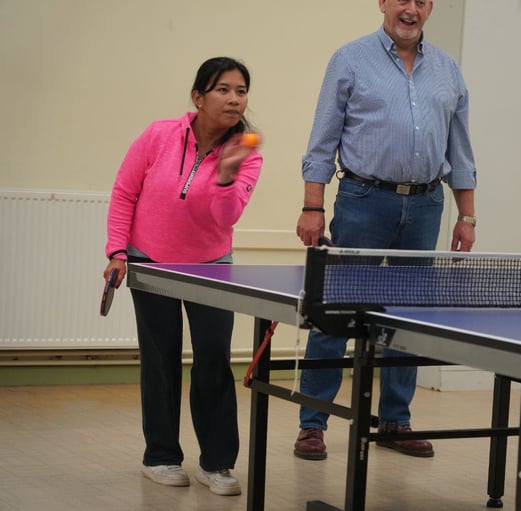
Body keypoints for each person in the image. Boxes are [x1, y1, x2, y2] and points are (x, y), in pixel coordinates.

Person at [294, 0, 476, 461]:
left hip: (426, 204)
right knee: (335, 310)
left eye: (421, 1)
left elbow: (461, 151)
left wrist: (467, 216)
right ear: (383, 4)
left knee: (408, 318)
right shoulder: (350, 59)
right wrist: (312, 207)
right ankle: (313, 423)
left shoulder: (449, 71)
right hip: (361, 200)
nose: (410, 9)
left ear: (430, 8)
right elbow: (322, 140)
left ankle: (396, 420)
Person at [103, 57, 263, 496]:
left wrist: (227, 177)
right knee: (160, 359)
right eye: (224, 89)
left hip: (210, 267)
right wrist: (117, 251)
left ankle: (216, 465)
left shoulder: (246, 151)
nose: (234, 99)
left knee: (214, 359)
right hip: (150, 261)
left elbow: (226, 217)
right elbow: (125, 191)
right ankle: (160, 456)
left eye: (242, 91)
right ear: (198, 96)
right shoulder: (158, 134)